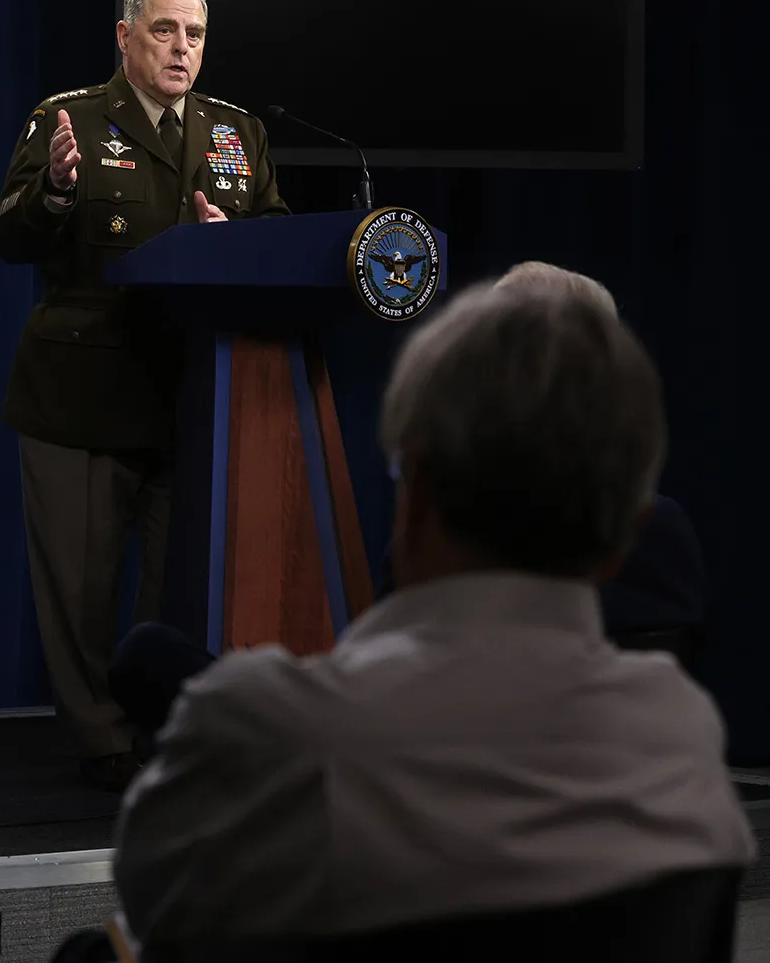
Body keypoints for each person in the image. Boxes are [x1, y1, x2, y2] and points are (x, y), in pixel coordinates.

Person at [112, 278, 756, 948]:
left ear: (414, 496)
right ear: (628, 533)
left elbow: (158, 918)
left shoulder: (279, 734)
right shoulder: (682, 739)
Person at [0, 0, 288, 788]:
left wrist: (232, 245)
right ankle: (103, 743)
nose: (182, 48)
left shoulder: (238, 132)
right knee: (81, 592)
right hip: (82, 393)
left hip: (193, 397)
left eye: (194, 33)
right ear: (126, 38)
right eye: (164, 31)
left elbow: (278, 240)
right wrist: (52, 187)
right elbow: (9, 238)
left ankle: (165, 736)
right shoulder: (71, 117)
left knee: (177, 588)